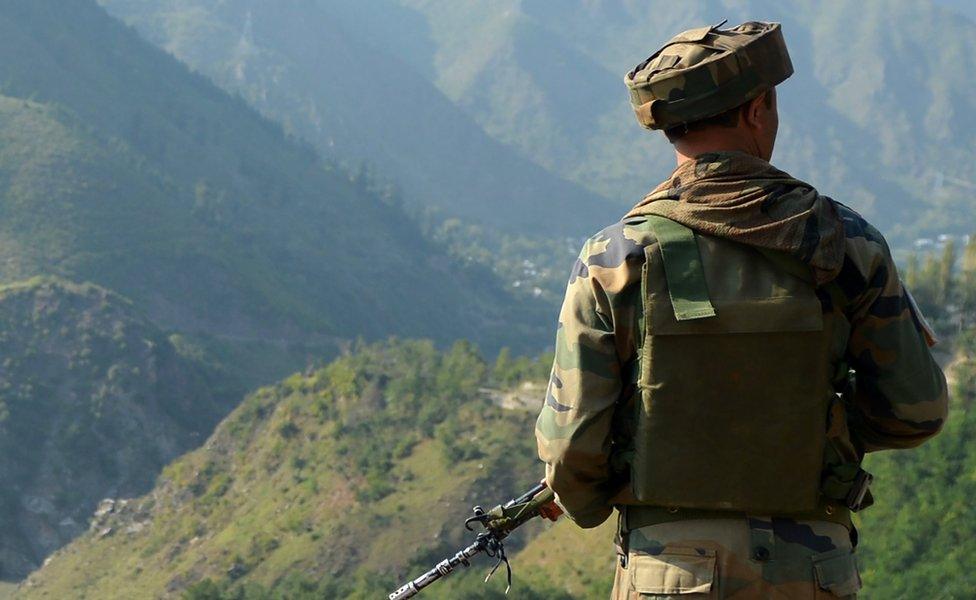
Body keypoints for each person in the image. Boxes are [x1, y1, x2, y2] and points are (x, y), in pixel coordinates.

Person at [535, 21, 948, 599]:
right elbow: (917, 410)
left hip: (666, 574)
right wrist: (808, 431)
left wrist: (604, 496)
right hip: (814, 570)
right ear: (758, 110)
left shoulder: (615, 256)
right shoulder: (845, 242)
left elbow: (572, 443)